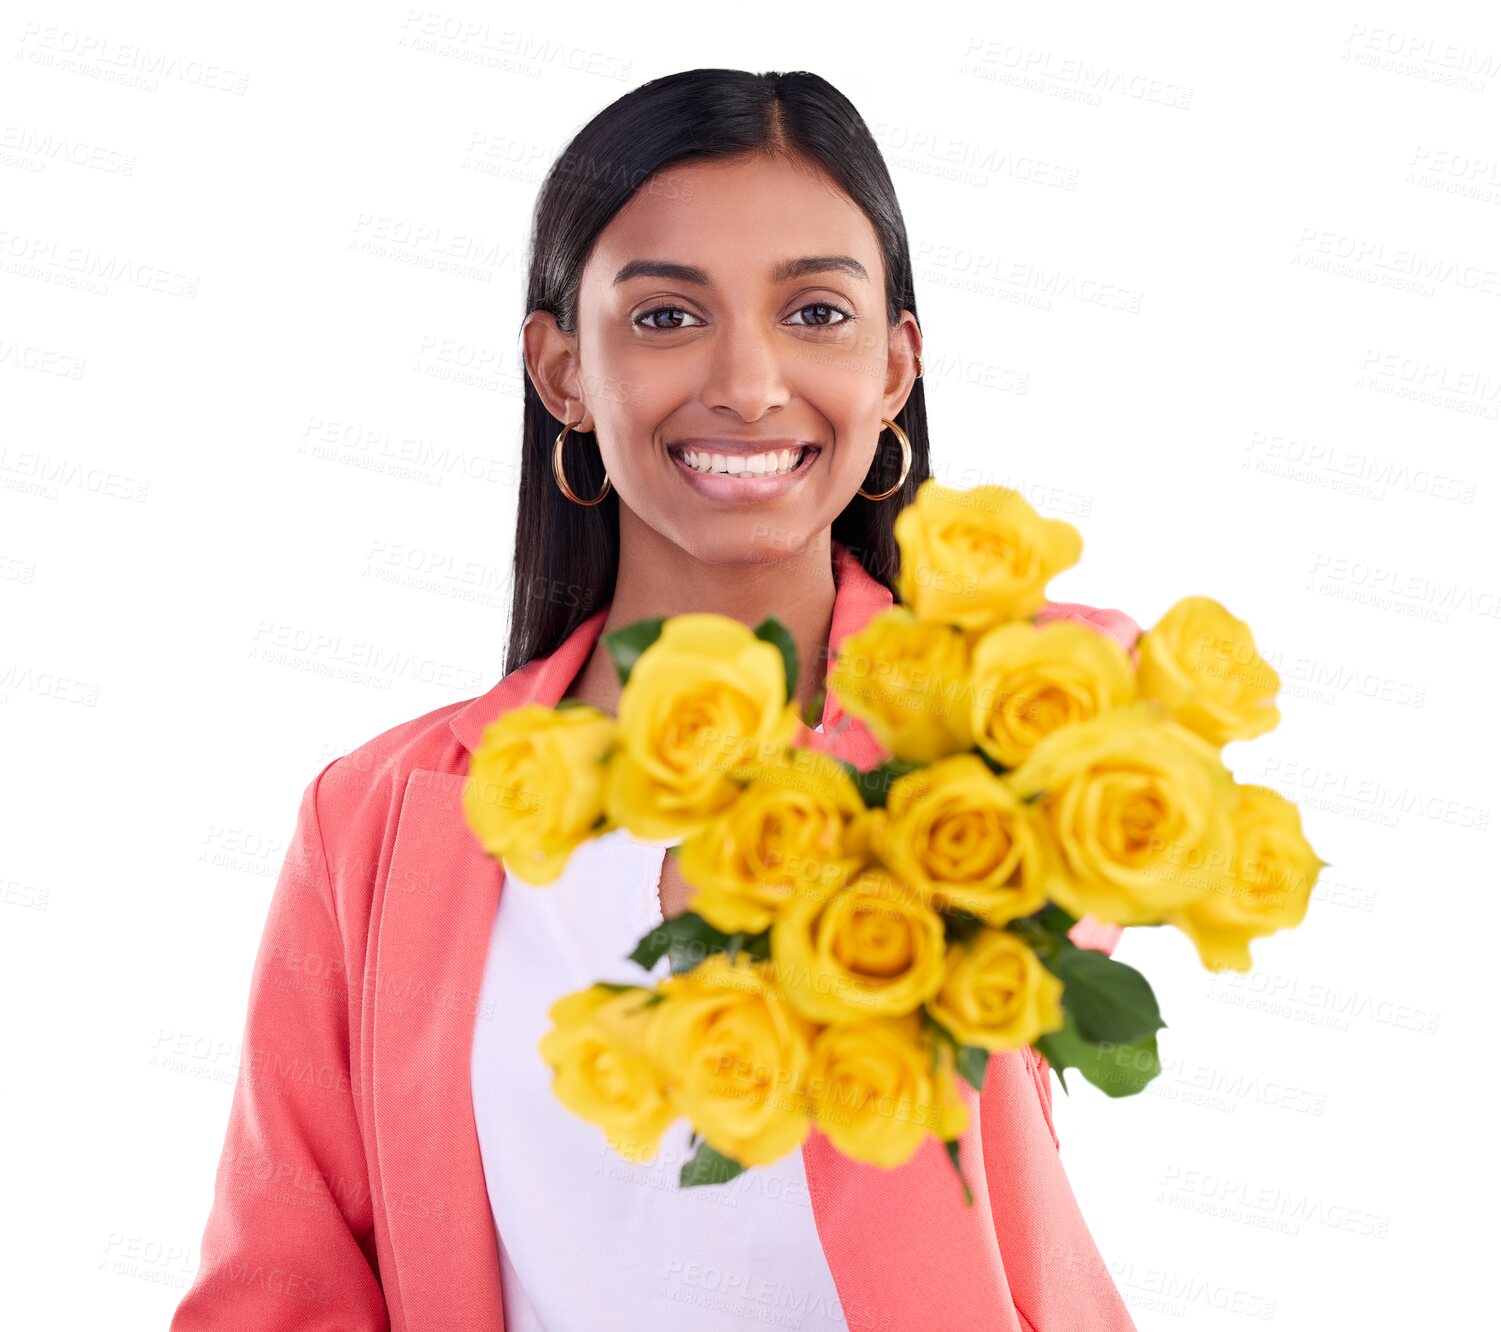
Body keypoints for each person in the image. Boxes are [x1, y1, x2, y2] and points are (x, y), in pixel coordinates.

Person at [170, 68, 1139, 1331]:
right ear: (562, 368)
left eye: (815, 312)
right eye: (669, 317)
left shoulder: (1010, 726)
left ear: (897, 366)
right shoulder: (374, 818)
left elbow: (1079, 862)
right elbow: (280, 1284)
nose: (747, 382)